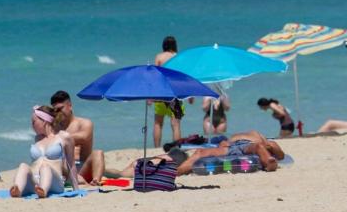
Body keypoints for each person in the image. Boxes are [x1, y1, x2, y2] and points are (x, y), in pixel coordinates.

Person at [107, 130, 285, 177]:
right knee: (260, 145)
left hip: (239, 146)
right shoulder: (260, 137)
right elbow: (277, 150)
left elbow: (280, 154)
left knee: (199, 153)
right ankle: (265, 154)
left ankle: (173, 173)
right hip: (248, 145)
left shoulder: (252, 137)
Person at [11, 107, 80, 198]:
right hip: (35, 182)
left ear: (44, 121)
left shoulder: (64, 137)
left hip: (55, 182)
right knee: (23, 166)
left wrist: (76, 189)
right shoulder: (37, 138)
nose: (32, 126)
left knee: (45, 167)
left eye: (34, 122)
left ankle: (43, 190)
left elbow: (71, 164)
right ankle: (18, 190)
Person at [50, 90, 104, 186]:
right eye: (55, 110)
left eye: (60, 109)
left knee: (98, 153)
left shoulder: (84, 123)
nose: (58, 113)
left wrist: (58, 137)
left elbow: (84, 137)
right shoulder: (54, 127)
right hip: (66, 168)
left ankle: (96, 180)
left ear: (70, 106)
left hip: (84, 167)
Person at [153, 36, 183, 148]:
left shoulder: (159, 57)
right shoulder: (178, 57)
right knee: (175, 124)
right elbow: (182, 77)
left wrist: (151, 95)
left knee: (158, 123)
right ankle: (176, 148)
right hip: (175, 93)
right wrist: (189, 94)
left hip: (161, 92)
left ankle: (156, 148)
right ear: (175, 45)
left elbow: (155, 76)